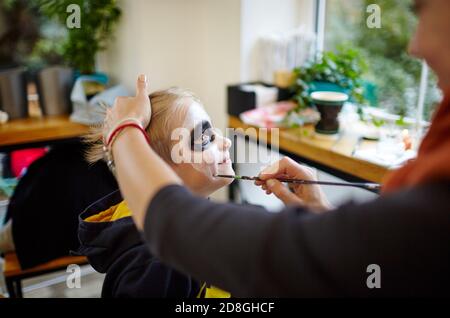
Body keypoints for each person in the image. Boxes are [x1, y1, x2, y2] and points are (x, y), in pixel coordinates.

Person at [100, 0, 450, 296]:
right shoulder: (150, 267)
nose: (413, 46)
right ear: (160, 166)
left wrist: (125, 133)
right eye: (204, 138)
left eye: (422, 9)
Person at [78, 88, 232, 298]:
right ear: (159, 169)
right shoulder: (157, 264)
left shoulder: (191, 222)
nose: (226, 142)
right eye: (205, 139)